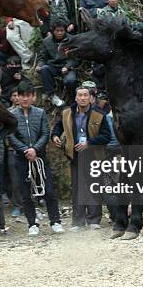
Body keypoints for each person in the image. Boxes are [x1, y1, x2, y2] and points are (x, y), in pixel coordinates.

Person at [7, 82, 65, 236]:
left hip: (40, 156)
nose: (25, 99)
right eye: (22, 95)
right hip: (21, 158)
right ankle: (32, 223)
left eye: (28, 95)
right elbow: (10, 136)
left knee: (49, 190)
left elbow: (46, 133)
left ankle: (55, 221)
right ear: (17, 97)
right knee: (26, 193)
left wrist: (35, 149)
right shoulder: (11, 114)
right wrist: (26, 150)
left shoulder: (40, 113)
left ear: (33, 97)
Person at [52, 86, 111, 231]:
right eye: (80, 95)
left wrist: (89, 143)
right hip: (75, 155)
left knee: (93, 187)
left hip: (93, 155)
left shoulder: (99, 114)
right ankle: (78, 222)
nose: (83, 98)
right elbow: (58, 127)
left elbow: (106, 136)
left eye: (86, 95)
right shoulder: (67, 113)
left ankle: (94, 220)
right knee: (78, 188)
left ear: (90, 97)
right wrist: (54, 136)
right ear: (76, 98)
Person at [38, 23, 77, 107]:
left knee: (70, 80)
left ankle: (72, 99)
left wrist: (68, 67)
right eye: (57, 31)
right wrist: (40, 64)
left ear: (65, 30)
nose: (59, 33)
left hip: (67, 65)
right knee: (44, 69)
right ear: (53, 31)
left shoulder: (72, 39)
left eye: (62, 31)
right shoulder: (46, 41)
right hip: (53, 65)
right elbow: (42, 56)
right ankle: (51, 95)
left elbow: (75, 58)